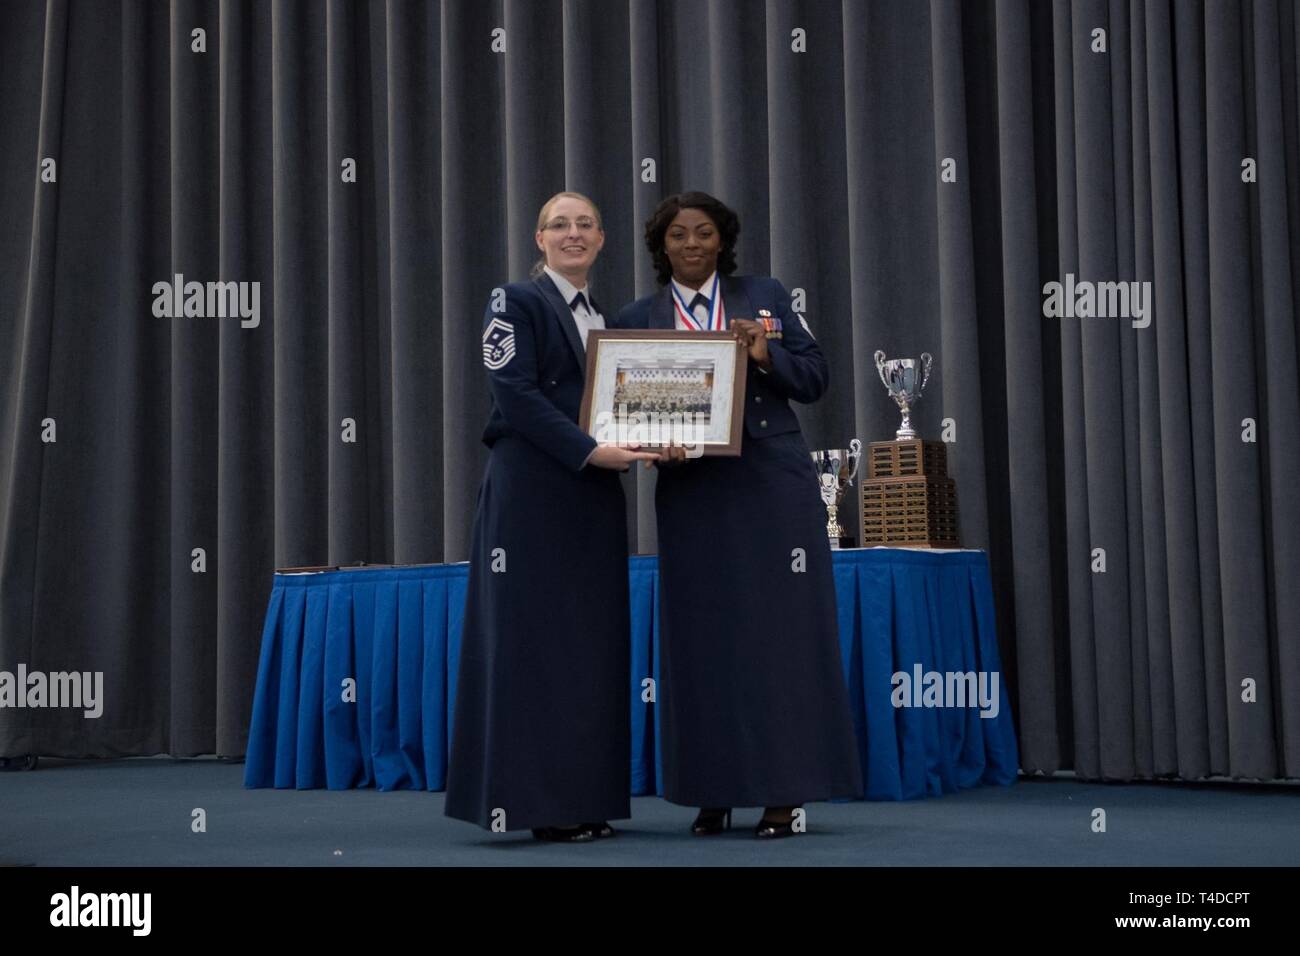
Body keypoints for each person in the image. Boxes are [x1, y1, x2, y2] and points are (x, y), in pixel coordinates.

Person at [616, 191, 863, 838]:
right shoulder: (636, 318)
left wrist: (763, 355)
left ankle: (785, 795)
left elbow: (815, 377)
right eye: (677, 235)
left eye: (704, 233)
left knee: (781, 639)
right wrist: (647, 442)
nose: (691, 244)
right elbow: (625, 415)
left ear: (723, 241)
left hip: (770, 487)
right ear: (661, 246)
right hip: (692, 493)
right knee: (703, 643)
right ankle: (712, 791)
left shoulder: (767, 296)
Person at [445, 192, 657, 842]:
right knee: (535, 646)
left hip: (592, 496)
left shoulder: (607, 317)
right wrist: (590, 449)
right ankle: (536, 805)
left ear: (601, 239)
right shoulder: (514, 301)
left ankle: (585, 797)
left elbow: (630, 399)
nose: (573, 234)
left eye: (585, 224)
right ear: (539, 239)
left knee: (590, 647)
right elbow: (513, 391)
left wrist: (666, 434)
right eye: (559, 225)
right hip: (533, 493)